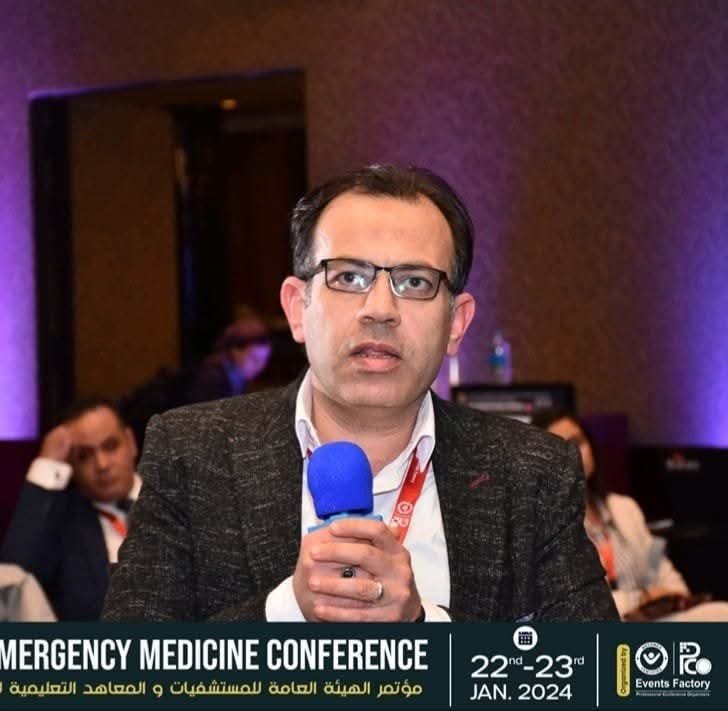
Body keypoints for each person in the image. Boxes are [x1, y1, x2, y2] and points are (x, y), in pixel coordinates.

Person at [103, 164, 617, 622]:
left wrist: (425, 628)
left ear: (456, 324)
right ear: (297, 308)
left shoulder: (532, 473)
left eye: (414, 283)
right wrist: (286, 611)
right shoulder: (193, 454)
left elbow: (600, 677)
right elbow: (127, 673)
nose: (379, 310)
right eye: (348, 276)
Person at [532, 408, 728, 621]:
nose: (573, 454)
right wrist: (639, 598)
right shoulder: (543, 526)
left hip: (650, 619)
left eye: (577, 442)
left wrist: (675, 595)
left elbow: (658, 568)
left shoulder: (625, 508)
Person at [1, 398, 140, 620]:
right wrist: (47, 464)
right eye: (84, 456)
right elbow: (12, 583)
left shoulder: (180, 498)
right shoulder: (63, 524)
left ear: (131, 442)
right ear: (70, 464)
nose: (102, 464)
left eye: (110, 446)